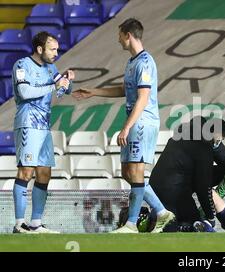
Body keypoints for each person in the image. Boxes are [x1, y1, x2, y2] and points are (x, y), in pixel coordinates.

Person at [72, 18, 174, 233]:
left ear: (128, 34)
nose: (118, 39)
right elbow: (125, 90)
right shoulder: (132, 62)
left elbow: (143, 98)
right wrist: (95, 92)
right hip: (135, 121)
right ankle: (163, 213)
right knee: (128, 172)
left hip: (142, 122)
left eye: (119, 35)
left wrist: (127, 127)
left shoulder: (145, 62)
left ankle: (131, 224)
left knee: (136, 171)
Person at [11, 31, 74, 234]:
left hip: (44, 126)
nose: (56, 53)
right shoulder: (22, 65)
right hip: (28, 123)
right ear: (40, 49)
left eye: (57, 49)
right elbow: (25, 92)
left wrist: (67, 81)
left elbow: (61, 92)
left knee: (44, 173)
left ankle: (36, 222)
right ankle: (19, 223)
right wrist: (53, 86)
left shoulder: (51, 68)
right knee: (26, 172)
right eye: (52, 49)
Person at [149, 116, 225, 231]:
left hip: (157, 184)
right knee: (192, 223)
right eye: (219, 139)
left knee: (169, 219)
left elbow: (223, 156)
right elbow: (203, 187)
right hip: (174, 189)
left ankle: (156, 221)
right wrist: (210, 216)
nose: (218, 143)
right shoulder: (203, 149)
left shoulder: (186, 134)